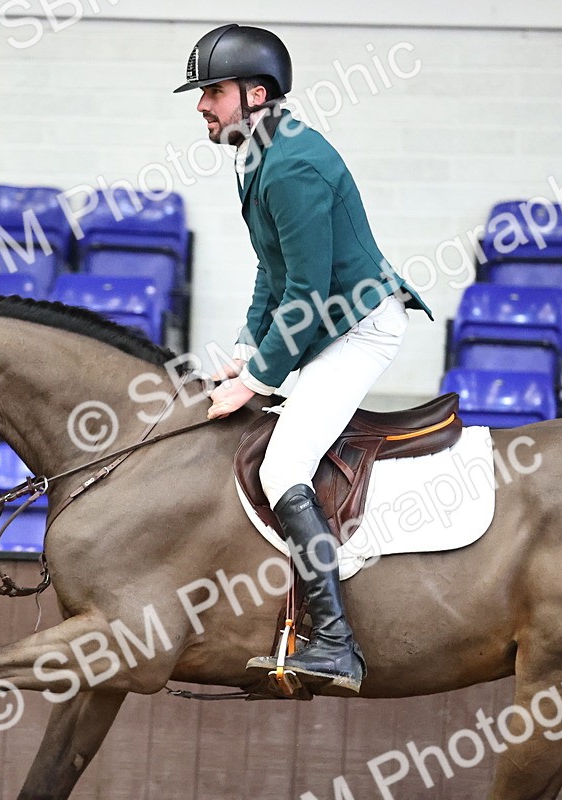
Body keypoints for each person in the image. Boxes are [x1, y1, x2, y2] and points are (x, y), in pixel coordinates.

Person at [175, 24, 433, 693]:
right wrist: (243, 354)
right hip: (326, 323)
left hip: (359, 326)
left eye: (213, 92)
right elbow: (273, 274)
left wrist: (260, 377)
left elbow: (309, 293)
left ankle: (335, 644)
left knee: (286, 463)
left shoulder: (292, 164)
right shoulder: (257, 157)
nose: (202, 105)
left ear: (255, 94)